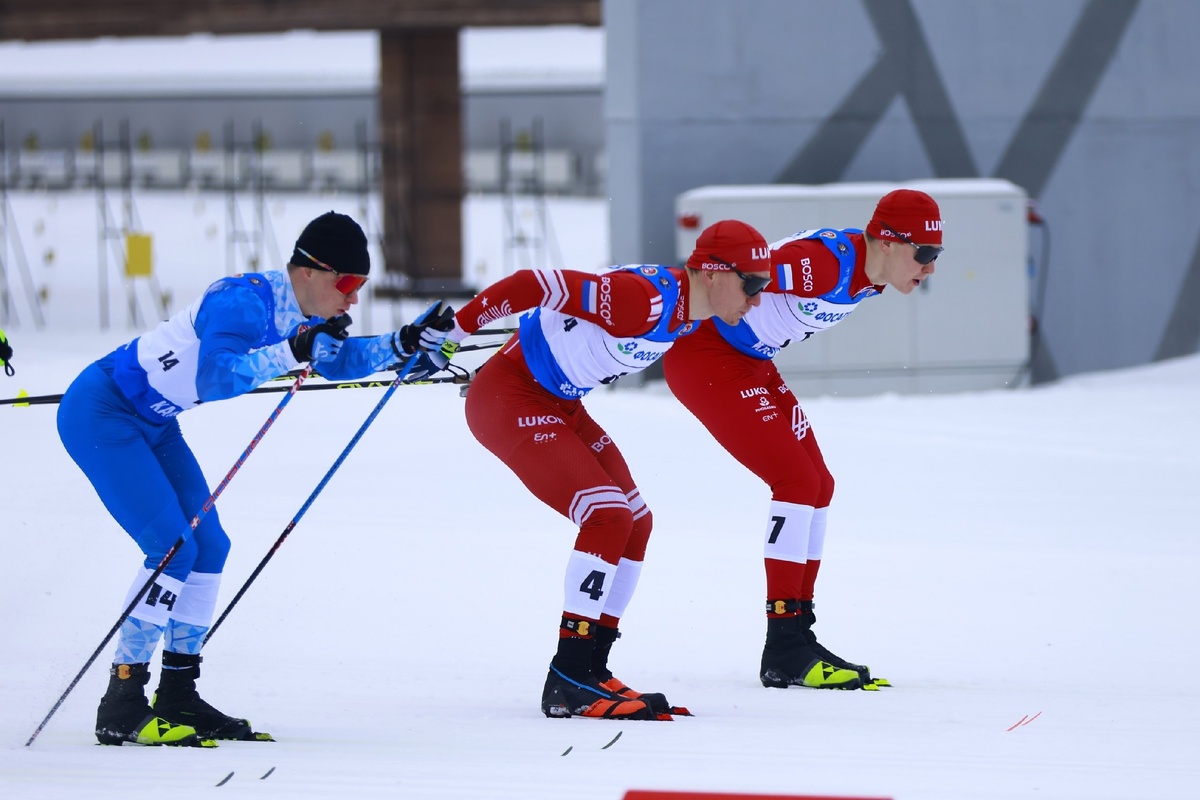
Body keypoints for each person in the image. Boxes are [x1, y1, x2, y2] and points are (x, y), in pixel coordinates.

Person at [57, 211, 453, 747]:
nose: (354, 298)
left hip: (154, 421)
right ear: (311, 271)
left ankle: (178, 694)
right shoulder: (241, 300)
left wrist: (403, 342)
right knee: (173, 549)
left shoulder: (301, 312)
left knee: (210, 546)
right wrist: (293, 352)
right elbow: (215, 376)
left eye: (361, 285)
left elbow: (336, 362)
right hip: (103, 411)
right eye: (350, 283)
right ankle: (122, 702)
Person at [436, 220, 771, 720]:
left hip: (560, 403)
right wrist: (453, 334)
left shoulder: (688, 312)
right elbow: (534, 285)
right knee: (607, 515)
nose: (758, 299)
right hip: (511, 400)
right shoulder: (643, 299)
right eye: (753, 284)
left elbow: (562, 332)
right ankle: (568, 674)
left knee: (636, 522)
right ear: (712, 274)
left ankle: (591, 666)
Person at [662, 189, 944, 692]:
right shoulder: (821, 264)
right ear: (884, 242)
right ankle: (784, 646)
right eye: (924, 254)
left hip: (748, 359)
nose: (930, 268)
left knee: (819, 484)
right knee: (794, 481)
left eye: (936, 256)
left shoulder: (871, 275)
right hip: (705, 356)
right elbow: (719, 273)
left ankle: (798, 635)